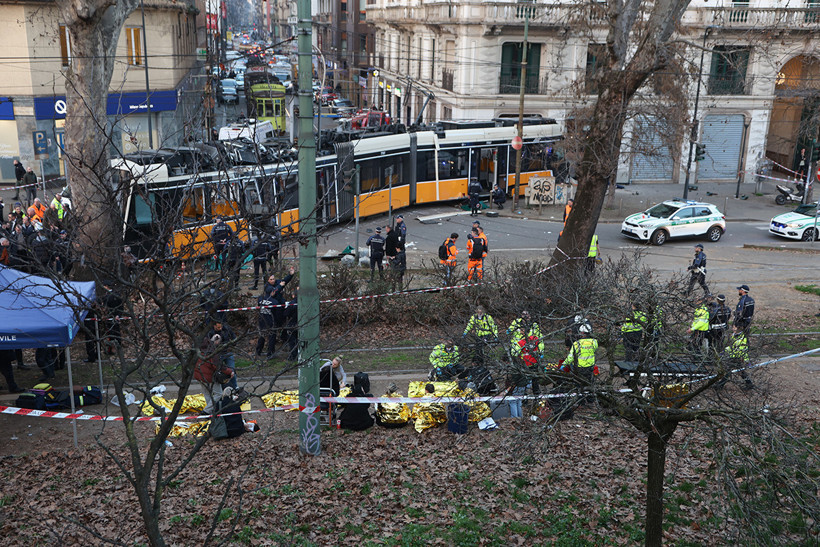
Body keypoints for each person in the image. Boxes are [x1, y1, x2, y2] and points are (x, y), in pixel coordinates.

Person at [717, 325, 754, 390]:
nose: (733, 328)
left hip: (737, 357)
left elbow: (742, 350)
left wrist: (745, 360)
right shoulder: (734, 336)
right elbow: (732, 347)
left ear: (738, 328)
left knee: (730, 371)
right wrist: (724, 351)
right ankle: (749, 384)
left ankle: (720, 385)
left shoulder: (742, 338)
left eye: (734, 327)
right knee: (740, 372)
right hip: (734, 356)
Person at [207, 321, 238, 390]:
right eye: (218, 327)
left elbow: (234, 338)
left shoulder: (226, 329)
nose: (220, 328)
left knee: (232, 370)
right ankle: (222, 387)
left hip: (227, 352)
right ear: (214, 326)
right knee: (219, 371)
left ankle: (235, 387)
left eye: (221, 327)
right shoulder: (210, 332)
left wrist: (231, 345)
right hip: (217, 354)